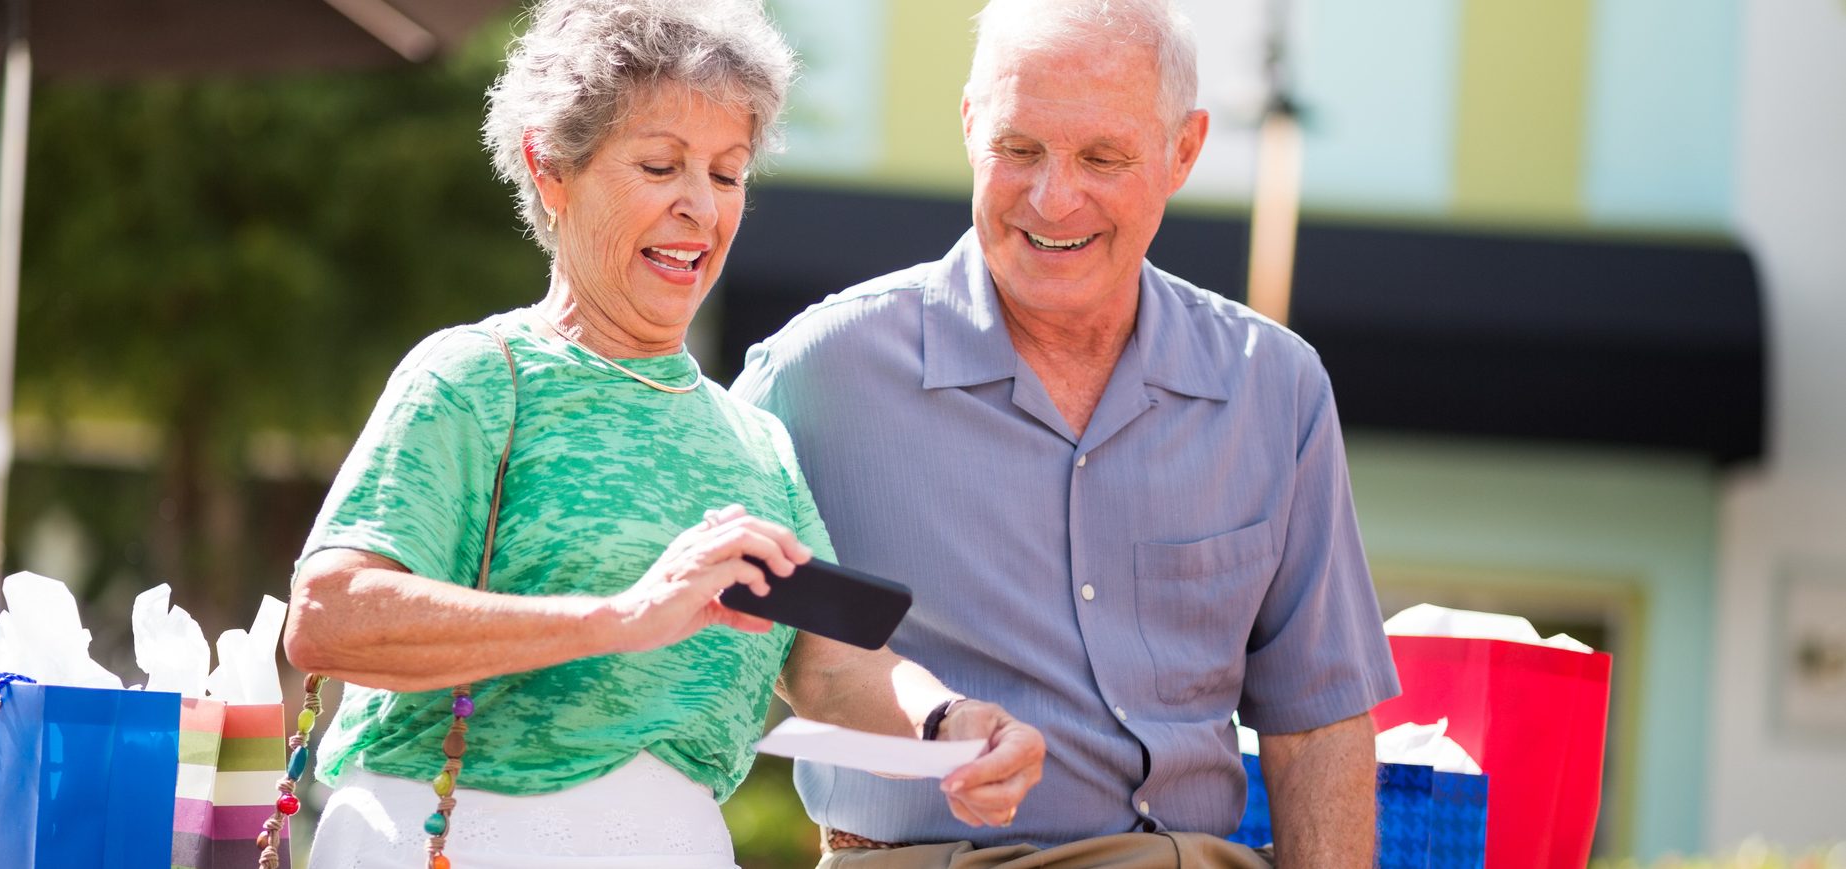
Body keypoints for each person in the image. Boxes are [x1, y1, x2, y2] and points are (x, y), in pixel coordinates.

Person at [283, 2, 1045, 868]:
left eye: (727, 174)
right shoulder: (475, 375)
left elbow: (832, 671)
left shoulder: (755, 441)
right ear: (550, 168)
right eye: (659, 165)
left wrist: (950, 721)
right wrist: (619, 617)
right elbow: (328, 618)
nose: (700, 207)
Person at [732, 0, 1400, 865]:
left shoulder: (1273, 387)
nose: (1053, 197)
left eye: (1102, 157)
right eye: (1018, 149)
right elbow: (715, 638)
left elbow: (1318, 722)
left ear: (1184, 151)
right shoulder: (818, 371)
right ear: (971, 127)